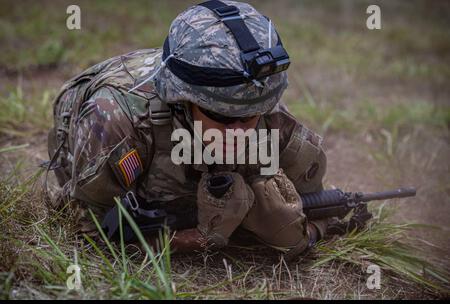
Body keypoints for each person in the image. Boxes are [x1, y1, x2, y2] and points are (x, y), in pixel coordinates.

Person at [47, 0, 329, 258]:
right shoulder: (117, 122)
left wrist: (299, 234)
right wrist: (190, 240)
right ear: (182, 100)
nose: (239, 131)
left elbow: (326, 207)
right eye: (222, 116)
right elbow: (89, 230)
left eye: (251, 114)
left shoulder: (270, 118)